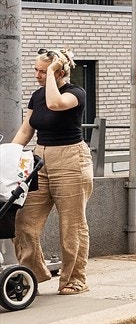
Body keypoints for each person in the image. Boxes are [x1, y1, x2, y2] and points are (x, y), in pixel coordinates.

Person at [12, 47, 92, 294]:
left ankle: (73, 279)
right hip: (40, 158)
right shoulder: (37, 96)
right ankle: (32, 273)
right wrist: (10, 154)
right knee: (23, 220)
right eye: (36, 70)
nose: (37, 74)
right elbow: (27, 130)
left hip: (71, 159)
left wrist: (52, 74)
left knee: (72, 224)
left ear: (59, 72)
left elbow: (55, 103)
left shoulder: (75, 92)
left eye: (43, 71)